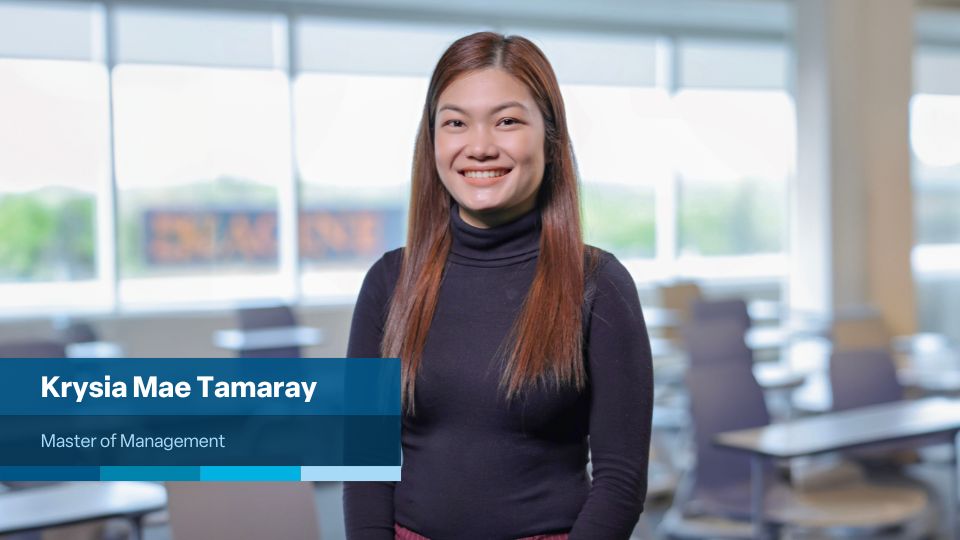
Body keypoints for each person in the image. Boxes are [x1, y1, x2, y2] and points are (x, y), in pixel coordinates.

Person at [343, 31, 653, 540]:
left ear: (550, 140)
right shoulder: (388, 283)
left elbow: (621, 482)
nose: (480, 146)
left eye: (507, 121)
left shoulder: (600, 285)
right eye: (456, 123)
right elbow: (363, 468)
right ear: (434, 141)